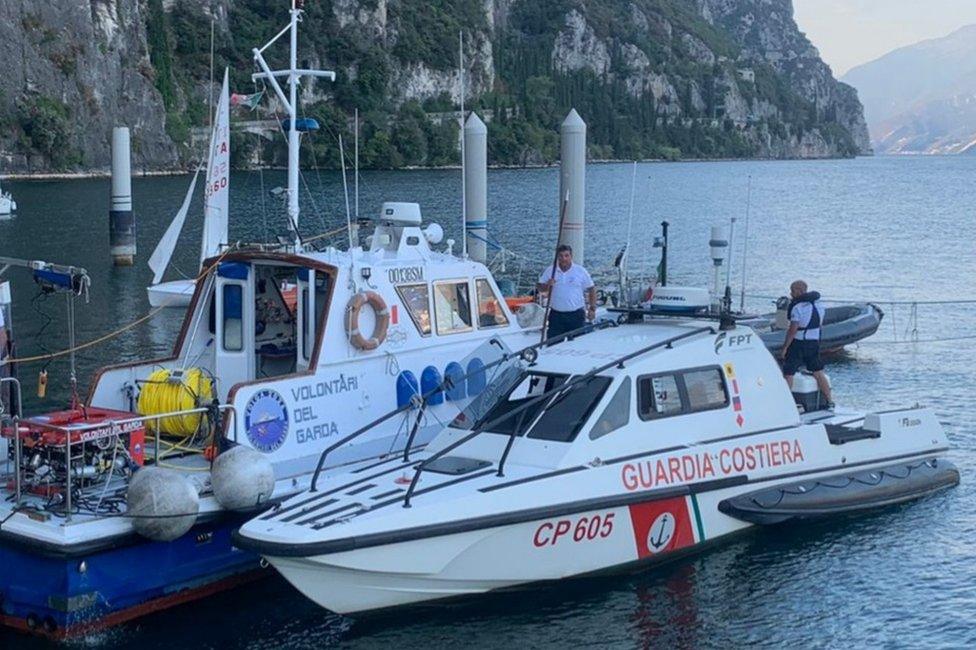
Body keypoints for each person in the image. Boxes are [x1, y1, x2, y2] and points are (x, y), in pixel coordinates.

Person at [779, 280, 833, 407]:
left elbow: (793, 330)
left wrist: (785, 347)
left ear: (799, 291)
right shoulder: (819, 305)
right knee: (818, 372)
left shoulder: (797, 308)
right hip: (813, 343)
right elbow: (819, 324)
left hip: (798, 343)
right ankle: (829, 400)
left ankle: (785, 403)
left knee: (789, 372)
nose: (791, 294)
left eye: (792, 291)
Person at [538, 244, 596, 340]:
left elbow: (592, 289)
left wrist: (592, 308)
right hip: (556, 316)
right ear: (557, 257)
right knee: (553, 344)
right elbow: (540, 288)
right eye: (560, 256)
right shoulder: (550, 270)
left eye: (566, 255)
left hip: (576, 315)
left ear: (571, 256)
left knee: (578, 344)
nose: (563, 258)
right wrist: (548, 285)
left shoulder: (580, 271)